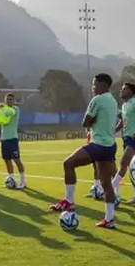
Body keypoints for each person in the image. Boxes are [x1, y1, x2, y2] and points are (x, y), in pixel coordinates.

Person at [49, 73, 119, 228]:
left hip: (98, 144)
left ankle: (69, 202)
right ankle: (109, 219)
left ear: (103, 84)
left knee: (68, 163)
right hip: (110, 145)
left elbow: (85, 122)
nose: (93, 87)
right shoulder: (113, 101)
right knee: (107, 184)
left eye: (94, 84)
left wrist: (91, 124)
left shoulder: (98, 99)